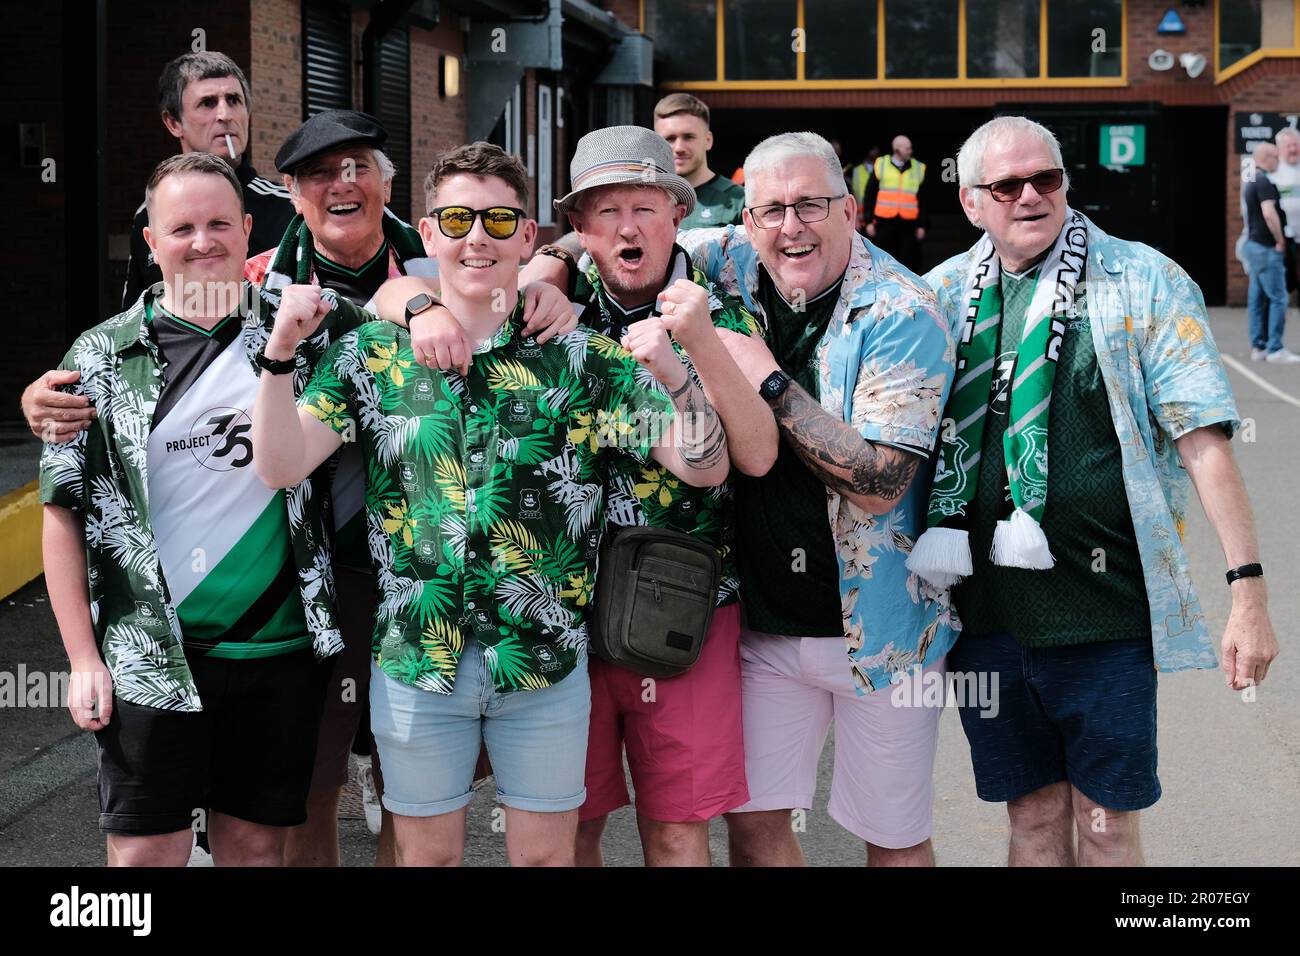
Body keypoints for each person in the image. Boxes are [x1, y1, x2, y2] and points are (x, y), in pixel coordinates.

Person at [250, 142, 732, 867]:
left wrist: (674, 372)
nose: (478, 236)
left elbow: (704, 466)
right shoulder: (375, 355)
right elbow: (281, 463)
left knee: (543, 860)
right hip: (419, 655)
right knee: (426, 859)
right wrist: (281, 355)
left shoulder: (583, 360)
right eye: (459, 218)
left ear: (528, 236)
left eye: (500, 220)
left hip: (542, 661)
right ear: (430, 231)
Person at [527, 131, 959, 866]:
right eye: (772, 210)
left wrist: (764, 376)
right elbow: (619, 227)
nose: (791, 225)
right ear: (746, 221)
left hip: (876, 621)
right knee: (755, 830)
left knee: (892, 840)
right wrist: (548, 265)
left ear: (851, 211)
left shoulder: (901, 311)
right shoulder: (727, 257)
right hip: (759, 621)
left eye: (811, 206)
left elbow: (882, 485)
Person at [910, 115, 1281, 866]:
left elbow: (1204, 443)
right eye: (1007, 185)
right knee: (1034, 818)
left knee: (1106, 827)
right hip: (985, 618)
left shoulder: (1143, 279)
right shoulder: (938, 295)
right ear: (973, 200)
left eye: (1046, 178)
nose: (1030, 196)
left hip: (1106, 614)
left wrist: (1248, 595)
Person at [40, 152, 369, 866]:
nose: (202, 240)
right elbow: (62, 512)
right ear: (151, 242)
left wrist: (441, 300)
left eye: (220, 223)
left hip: (279, 651)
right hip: (149, 652)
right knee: (144, 853)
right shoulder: (99, 356)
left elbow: (398, 317)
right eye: (180, 226)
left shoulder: (305, 329)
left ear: (248, 230)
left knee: (252, 848)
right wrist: (81, 661)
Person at [121, 52, 294, 310]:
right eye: (208, 103)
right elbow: (137, 316)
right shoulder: (150, 213)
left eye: (234, 100)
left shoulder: (289, 208)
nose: (225, 114)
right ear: (173, 122)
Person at [1241, 143, 1299, 362]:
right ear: (1266, 158)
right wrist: (1280, 239)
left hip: (1253, 245)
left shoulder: (1251, 180)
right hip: (1266, 247)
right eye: (1276, 157)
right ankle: (1275, 348)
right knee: (1278, 298)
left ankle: (1259, 347)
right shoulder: (1264, 181)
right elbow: (1269, 212)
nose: (1279, 162)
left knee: (1257, 297)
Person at [654, 93, 745, 229]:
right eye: (670, 139)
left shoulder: (740, 200)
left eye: (688, 137)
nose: (679, 148)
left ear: (708, 140)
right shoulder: (643, 200)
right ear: (655, 143)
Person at [863, 134, 928, 272]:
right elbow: (869, 195)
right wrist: (868, 221)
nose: (910, 151)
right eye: (907, 148)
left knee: (908, 262)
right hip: (884, 224)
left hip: (908, 225)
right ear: (897, 150)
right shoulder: (881, 164)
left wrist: (922, 225)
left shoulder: (918, 168)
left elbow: (923, 200)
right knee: (883, 262)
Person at [1272, 126, 1300, 298]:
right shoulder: (1272, 172)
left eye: (1296, 145)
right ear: (1279, 148)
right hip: (1281, 241)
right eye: (1289, 145)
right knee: (1283, 284)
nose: (1293, 149)